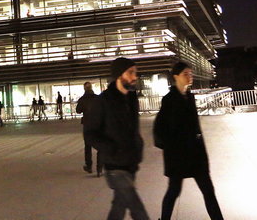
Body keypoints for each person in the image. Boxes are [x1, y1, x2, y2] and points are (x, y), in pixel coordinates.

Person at [154, 62, 224, 220]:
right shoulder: (169, 100)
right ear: (175, 77)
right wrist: (172, 147)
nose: (190, 76)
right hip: (178, 157)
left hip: (196, 156)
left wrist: (202, 151)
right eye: (186, 74)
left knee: (208, 191)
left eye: (190, 73)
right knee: (174, 191)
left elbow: (195, 127)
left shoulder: (190, 97)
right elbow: (160, 128)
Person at [84, 57, 150, 220]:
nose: (135, 77)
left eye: (135, 72)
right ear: (119, 75)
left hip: (131, 163)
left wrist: (137, 146)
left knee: (119, 208)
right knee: (138, 210)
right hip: (115, 167)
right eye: (131, 72)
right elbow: (90, 133)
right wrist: (110, 148)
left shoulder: (132, 98)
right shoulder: (103, 100)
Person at [76, 81, 102, 176]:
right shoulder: (97, 98)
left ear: (84, 89)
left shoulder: (82, 99)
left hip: (87, 124)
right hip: (98, 124)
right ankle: (99, 168)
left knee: (88, 146)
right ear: (91, 88)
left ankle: (89, 166)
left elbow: (78, 111)